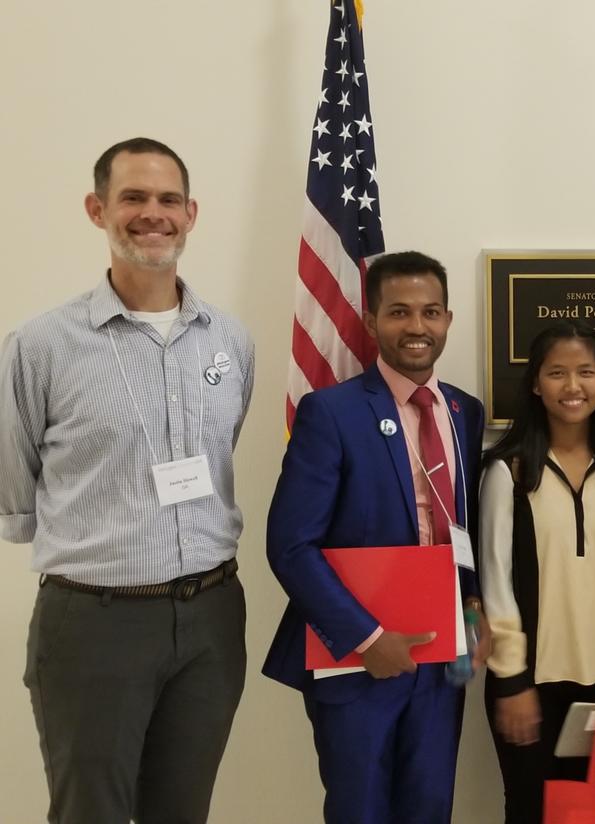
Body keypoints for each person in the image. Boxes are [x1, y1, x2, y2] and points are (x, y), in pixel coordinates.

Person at [0, 137, 254, 824]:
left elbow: (221, 454)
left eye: (169, 199)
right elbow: (16, 490)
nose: (153, 214)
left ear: (191, 214)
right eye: (133, 197)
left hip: (211, 618)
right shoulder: (41, 346)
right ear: (97, 209)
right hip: (95, 622)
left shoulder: (230, 342)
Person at [262, 251, 489, 824]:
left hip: (441, 657)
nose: (417, 326)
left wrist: (472, 608)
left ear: (448, 319)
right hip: (357, 661)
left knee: (430, 807)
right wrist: (367, 638)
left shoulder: (464, 410)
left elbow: (462, 523)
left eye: (430, 312)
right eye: (399, 311)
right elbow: (291, 546)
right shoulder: (331, 413)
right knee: (360, 811)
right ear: (371, 321)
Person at [479, 320, 595, 823]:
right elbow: (495, 581)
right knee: (530, 811)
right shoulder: (510, 470)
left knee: (587, 813)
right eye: (556, 372)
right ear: (536, 383)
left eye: (585, 372)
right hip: (527, 682)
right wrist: (511, 681)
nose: (572, 386)